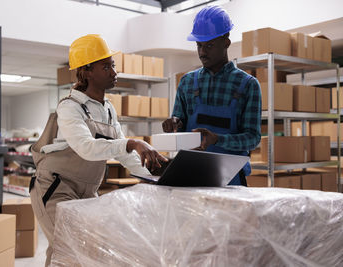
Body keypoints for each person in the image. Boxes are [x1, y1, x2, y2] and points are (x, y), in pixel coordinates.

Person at [29, 34, 167, 266]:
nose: (114, 72)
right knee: (67, 249)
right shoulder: (70, 107)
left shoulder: (109, 109)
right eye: (106, 66)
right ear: (87, 71)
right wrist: (133, 142)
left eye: (112, 65)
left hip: (87, 193)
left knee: (86, 252)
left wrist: (157, 175)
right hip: (55, 190)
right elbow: (87, 148)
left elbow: (124, 155)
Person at [162, 6, 261, 186]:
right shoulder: (187, 82)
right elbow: (180, 120)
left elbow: (252, 138)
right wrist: (175, 122)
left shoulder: (248, 85)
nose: (202, 52)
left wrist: (217, 139)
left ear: (226, 42)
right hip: (189, 176)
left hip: (231, 182)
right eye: (199, 45)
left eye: (209, 45)